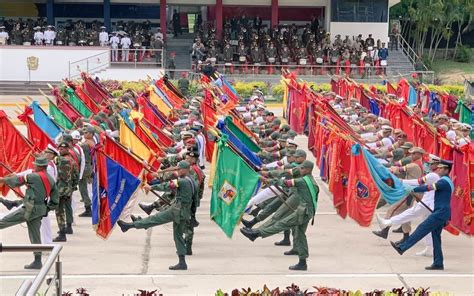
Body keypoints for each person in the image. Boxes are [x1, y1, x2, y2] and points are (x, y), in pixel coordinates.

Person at [117, 160, 197, 270]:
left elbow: (167, 186)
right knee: (178, 236)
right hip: (184, 211)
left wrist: (151, 187)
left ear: (184, 170)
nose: (177, 171)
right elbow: (195, 200)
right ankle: (182, 262)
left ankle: (129, 226)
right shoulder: (192, 180)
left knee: (154, 219)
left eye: (179, 169)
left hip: (177, 210)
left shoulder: (182, 181)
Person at [391, 160, 454, 270]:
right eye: (438, 168)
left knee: (422, 228)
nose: (438, 170)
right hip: (441, 212)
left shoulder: (443, 182)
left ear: (447, 170)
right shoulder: (447, 181)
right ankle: (438, 263)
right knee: (435, 237)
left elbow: (428, 187)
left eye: (441, 168)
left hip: (440, 212)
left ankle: (402, 247)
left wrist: (412, 189)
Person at [0, 156, 59, 269]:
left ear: (41, 166)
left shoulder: (33, 176)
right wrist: (45, 210)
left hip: (29, 209)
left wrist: (2, 180)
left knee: (4, 222)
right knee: (35, 235)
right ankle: (37, 261)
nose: (34, 166)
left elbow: (17, 181)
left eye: (36, 164)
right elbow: (55, 201)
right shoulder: (51, 180)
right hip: (39, 210)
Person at [53, 142, 79, 242]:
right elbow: (76, 176)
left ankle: (62, 232)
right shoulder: (72, 161)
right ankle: (69, 226)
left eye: (63, 149)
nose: (61, 150)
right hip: (68, 189)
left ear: (68, 149)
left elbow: (56, 175)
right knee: (68, 207)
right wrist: (72, 187)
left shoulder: (60, 160)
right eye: (60, 148)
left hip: (61, 189)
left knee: (59, 211)